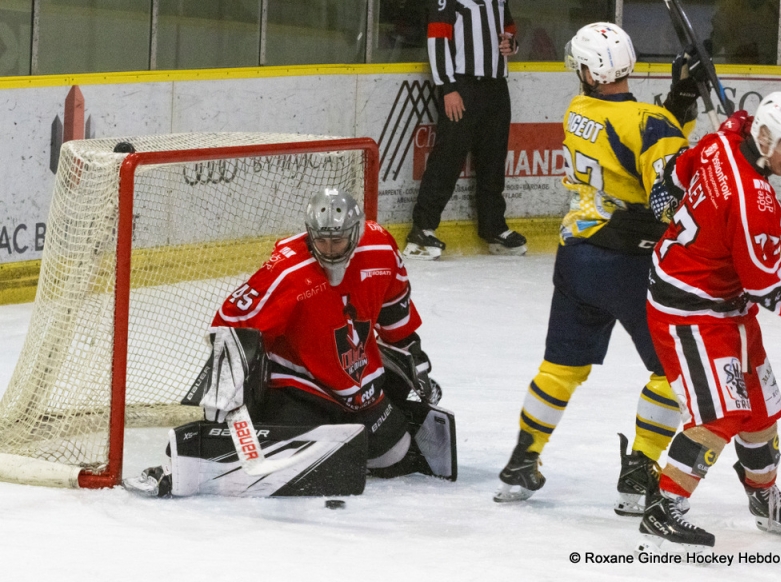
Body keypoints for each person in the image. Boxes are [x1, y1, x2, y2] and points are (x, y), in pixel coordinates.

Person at [125, 188, 456, 498]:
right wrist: (222, 401)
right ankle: (228, 450)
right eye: (321, 240)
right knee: (313, 456)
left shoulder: (381, 249)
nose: (328, 249)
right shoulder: (287, 269)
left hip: (359, 384)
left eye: (337, 240)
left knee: (394, 456)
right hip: (301, 384)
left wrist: (418, 364)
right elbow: (230, 322)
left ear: (355, 231)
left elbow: (394, 310)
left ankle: (344, 436)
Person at [494, 22, 699, 512]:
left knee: (561, 366)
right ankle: (639, 473)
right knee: (673, 373)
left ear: (589, 71)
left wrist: (679, 100)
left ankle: (523, 461)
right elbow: (667, 191)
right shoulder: (650, 123)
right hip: (628, 263)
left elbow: (633, 138)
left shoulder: (577, 110)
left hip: (577, 257)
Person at [639, 93, 781, 550]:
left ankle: (764, 498)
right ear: (764, 137)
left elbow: (677, 170)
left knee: (761, 408)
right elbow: (770, 289)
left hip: (725, 302)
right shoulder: (756, 204)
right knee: (722, 414)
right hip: (689, 309)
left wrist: (667, 189)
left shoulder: (722, 140)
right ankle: (663, 505)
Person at [403, 0, 527, 260]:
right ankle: (422, 228)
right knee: (448, 156)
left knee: (493, 159)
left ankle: (494, 227)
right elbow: (437, 39)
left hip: (495, 86)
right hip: (462, 85)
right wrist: (448, 88)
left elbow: (509, 28)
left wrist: (511, 44)